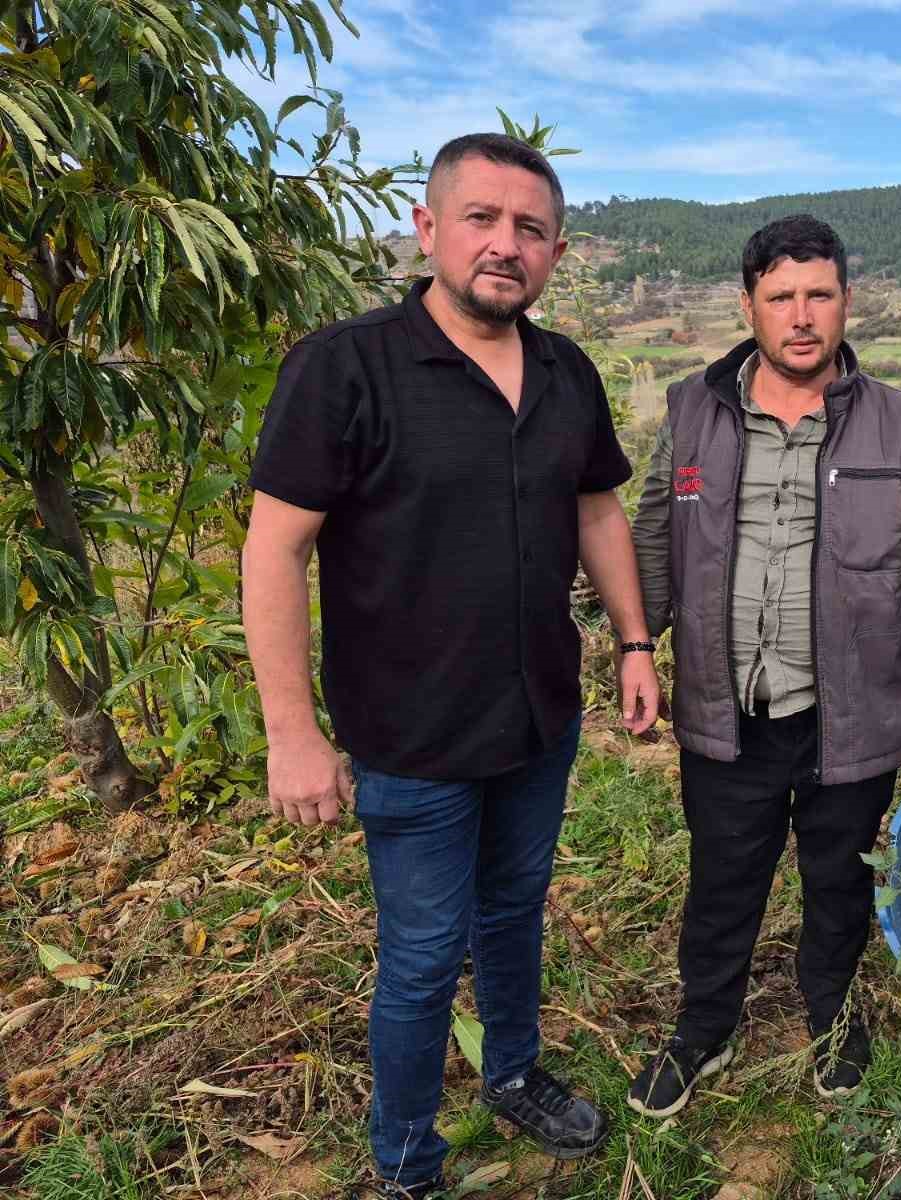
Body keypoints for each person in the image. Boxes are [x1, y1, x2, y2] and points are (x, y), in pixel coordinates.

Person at [242, 133, 659, 1199]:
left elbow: (598, 507)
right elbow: (274, 547)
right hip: (411, 735)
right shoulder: (346, 367)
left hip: (537, 717)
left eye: (529, 228)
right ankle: (407, 1163)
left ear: (557, 251)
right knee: (424, 958)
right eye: (480, 218)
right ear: (428, 231)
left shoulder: (566, 371)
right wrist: (294, 731)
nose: (504, 245)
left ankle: (512, 1071)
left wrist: (634, 640)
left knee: (515, 910)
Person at [626, 214, 901, 1118]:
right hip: (728, 709)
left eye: (820, 295)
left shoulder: (898, 421)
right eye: (781, 298)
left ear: (847, 300)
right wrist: (637, 642)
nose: (802, 317)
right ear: (749, 306)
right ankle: (705, 1027)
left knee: (839, 876)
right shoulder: (692, 410)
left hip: (855, 709)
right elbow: (651, 533)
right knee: (723, 875)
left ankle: (833, 1015)